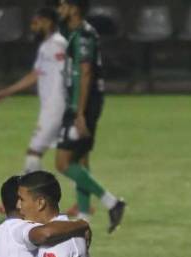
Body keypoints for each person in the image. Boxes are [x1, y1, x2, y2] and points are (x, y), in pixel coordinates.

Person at [55, 0, 125, 232]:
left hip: (82, 106)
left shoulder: (84, 35)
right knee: (79, 160)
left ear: (74, 8)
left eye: (63, 4)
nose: (59, 9)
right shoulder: (75, 32)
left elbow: (85, 73)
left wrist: (79, 112)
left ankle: (112, 202)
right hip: (81, 104)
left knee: (63, 163)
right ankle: (83, 219)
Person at [0, 7, 67, 176]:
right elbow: (35, 75)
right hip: (52, 106)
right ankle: (94, 201)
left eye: (36, 22)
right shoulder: (47, 46)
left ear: (47, 22)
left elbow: (67, 72)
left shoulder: (57, 44)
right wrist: (8, 91)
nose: (33, 27)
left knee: (34, 152)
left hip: (56, 107)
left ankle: (28, 199)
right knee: (70, 159)